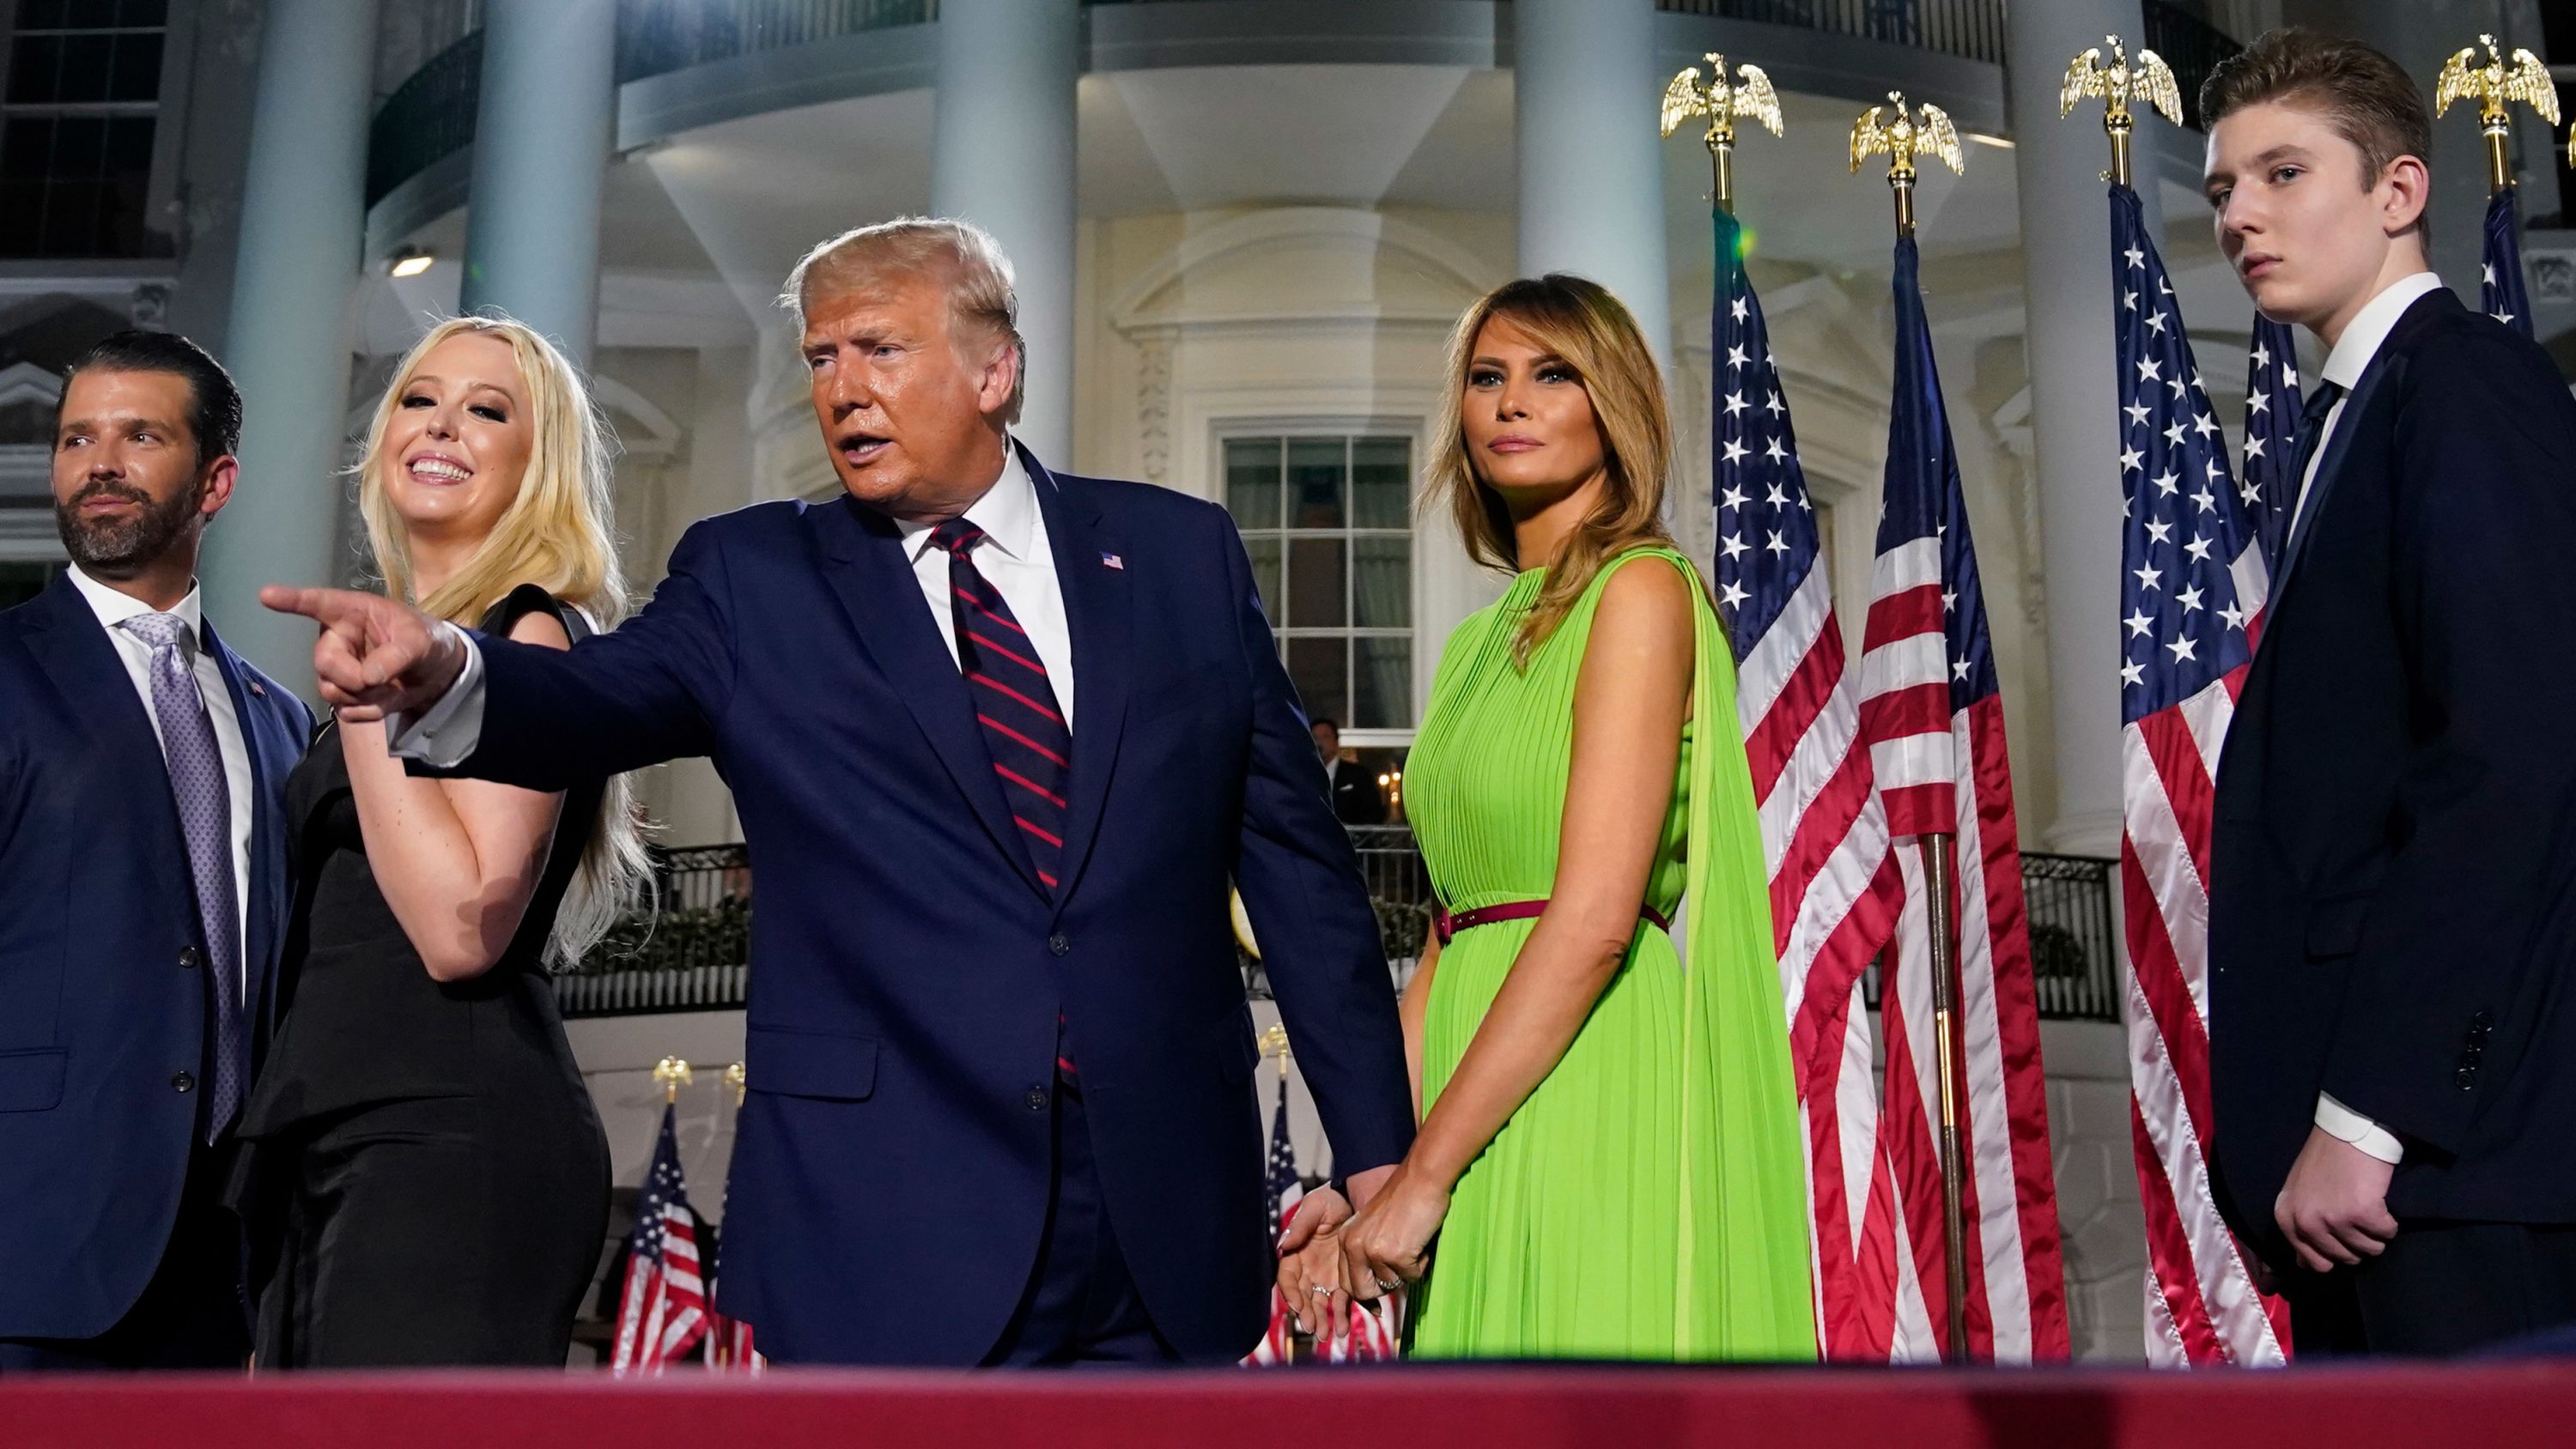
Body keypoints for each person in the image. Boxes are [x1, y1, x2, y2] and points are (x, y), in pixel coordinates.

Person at [262, 218, 1414, 1367]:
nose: (844, 390)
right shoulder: (754, 577)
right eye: (821, 360)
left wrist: (1375, 1151)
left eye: (880, 350)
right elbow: (595, 696)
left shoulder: (1179, 557)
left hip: (1163, 1222)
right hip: (885, 1227)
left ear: (994, 371)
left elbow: (1301, 880)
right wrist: (447, 669)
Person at [1279, 276, 1814, 1360]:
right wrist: (1369, 1165)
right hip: (1478, 1071)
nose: (1510, 402)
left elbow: (1595, 919)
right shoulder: (1476, 645)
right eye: (1487, 378)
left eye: (1551, 373)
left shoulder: (1641, 591)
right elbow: (1448, 933)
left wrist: (1424, 1176)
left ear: (1612, 403)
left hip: (1593, 1065)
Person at [2202, 30, 2576, 1355]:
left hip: (2447, 1167)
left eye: (2283, 171)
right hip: (2397, 1180)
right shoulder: (2367, 412)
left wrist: (2369, 1118)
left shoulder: (2464, 387)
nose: (2242, 214)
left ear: (2400, 193)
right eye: (2223, 190)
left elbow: (2509, 767)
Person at [234, 317, 634, 1367]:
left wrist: (369, 714)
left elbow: (465, 927)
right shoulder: (384, 654)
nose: (442, 424)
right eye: (420, 398)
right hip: (328, 1122)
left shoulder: (532, 633)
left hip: (444, 1136)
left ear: (535, 462)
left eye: (488, 408)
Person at [0, 332, 310, 1369]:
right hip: (29, 1247)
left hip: (219, 1263)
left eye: (140, 435)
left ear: (214, 480)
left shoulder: (278, 720)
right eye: (77, 436)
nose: (100, 462)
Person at [1311, 718, 1388, 826]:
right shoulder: (1303, 774)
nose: (1319, 742)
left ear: (1336, 742)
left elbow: (1373, 812)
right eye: (1315, 738)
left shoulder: (1358, 774)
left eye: (1325, 737)